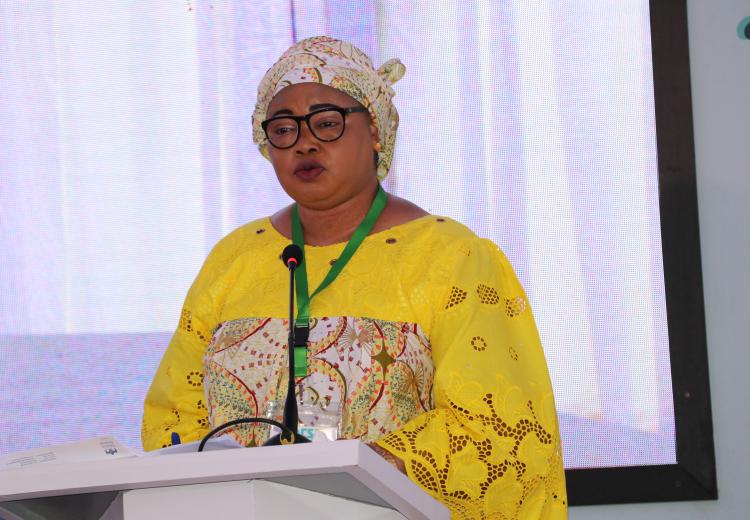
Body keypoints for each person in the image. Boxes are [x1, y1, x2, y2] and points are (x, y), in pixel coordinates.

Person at [142, 35, 567, 519]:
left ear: (376, 131)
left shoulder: (452, 256)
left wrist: (359, 474)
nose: (304, 142)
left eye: (327, 123)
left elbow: (500, 431)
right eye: (283, 129)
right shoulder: (234, 259)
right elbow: (174, 416)